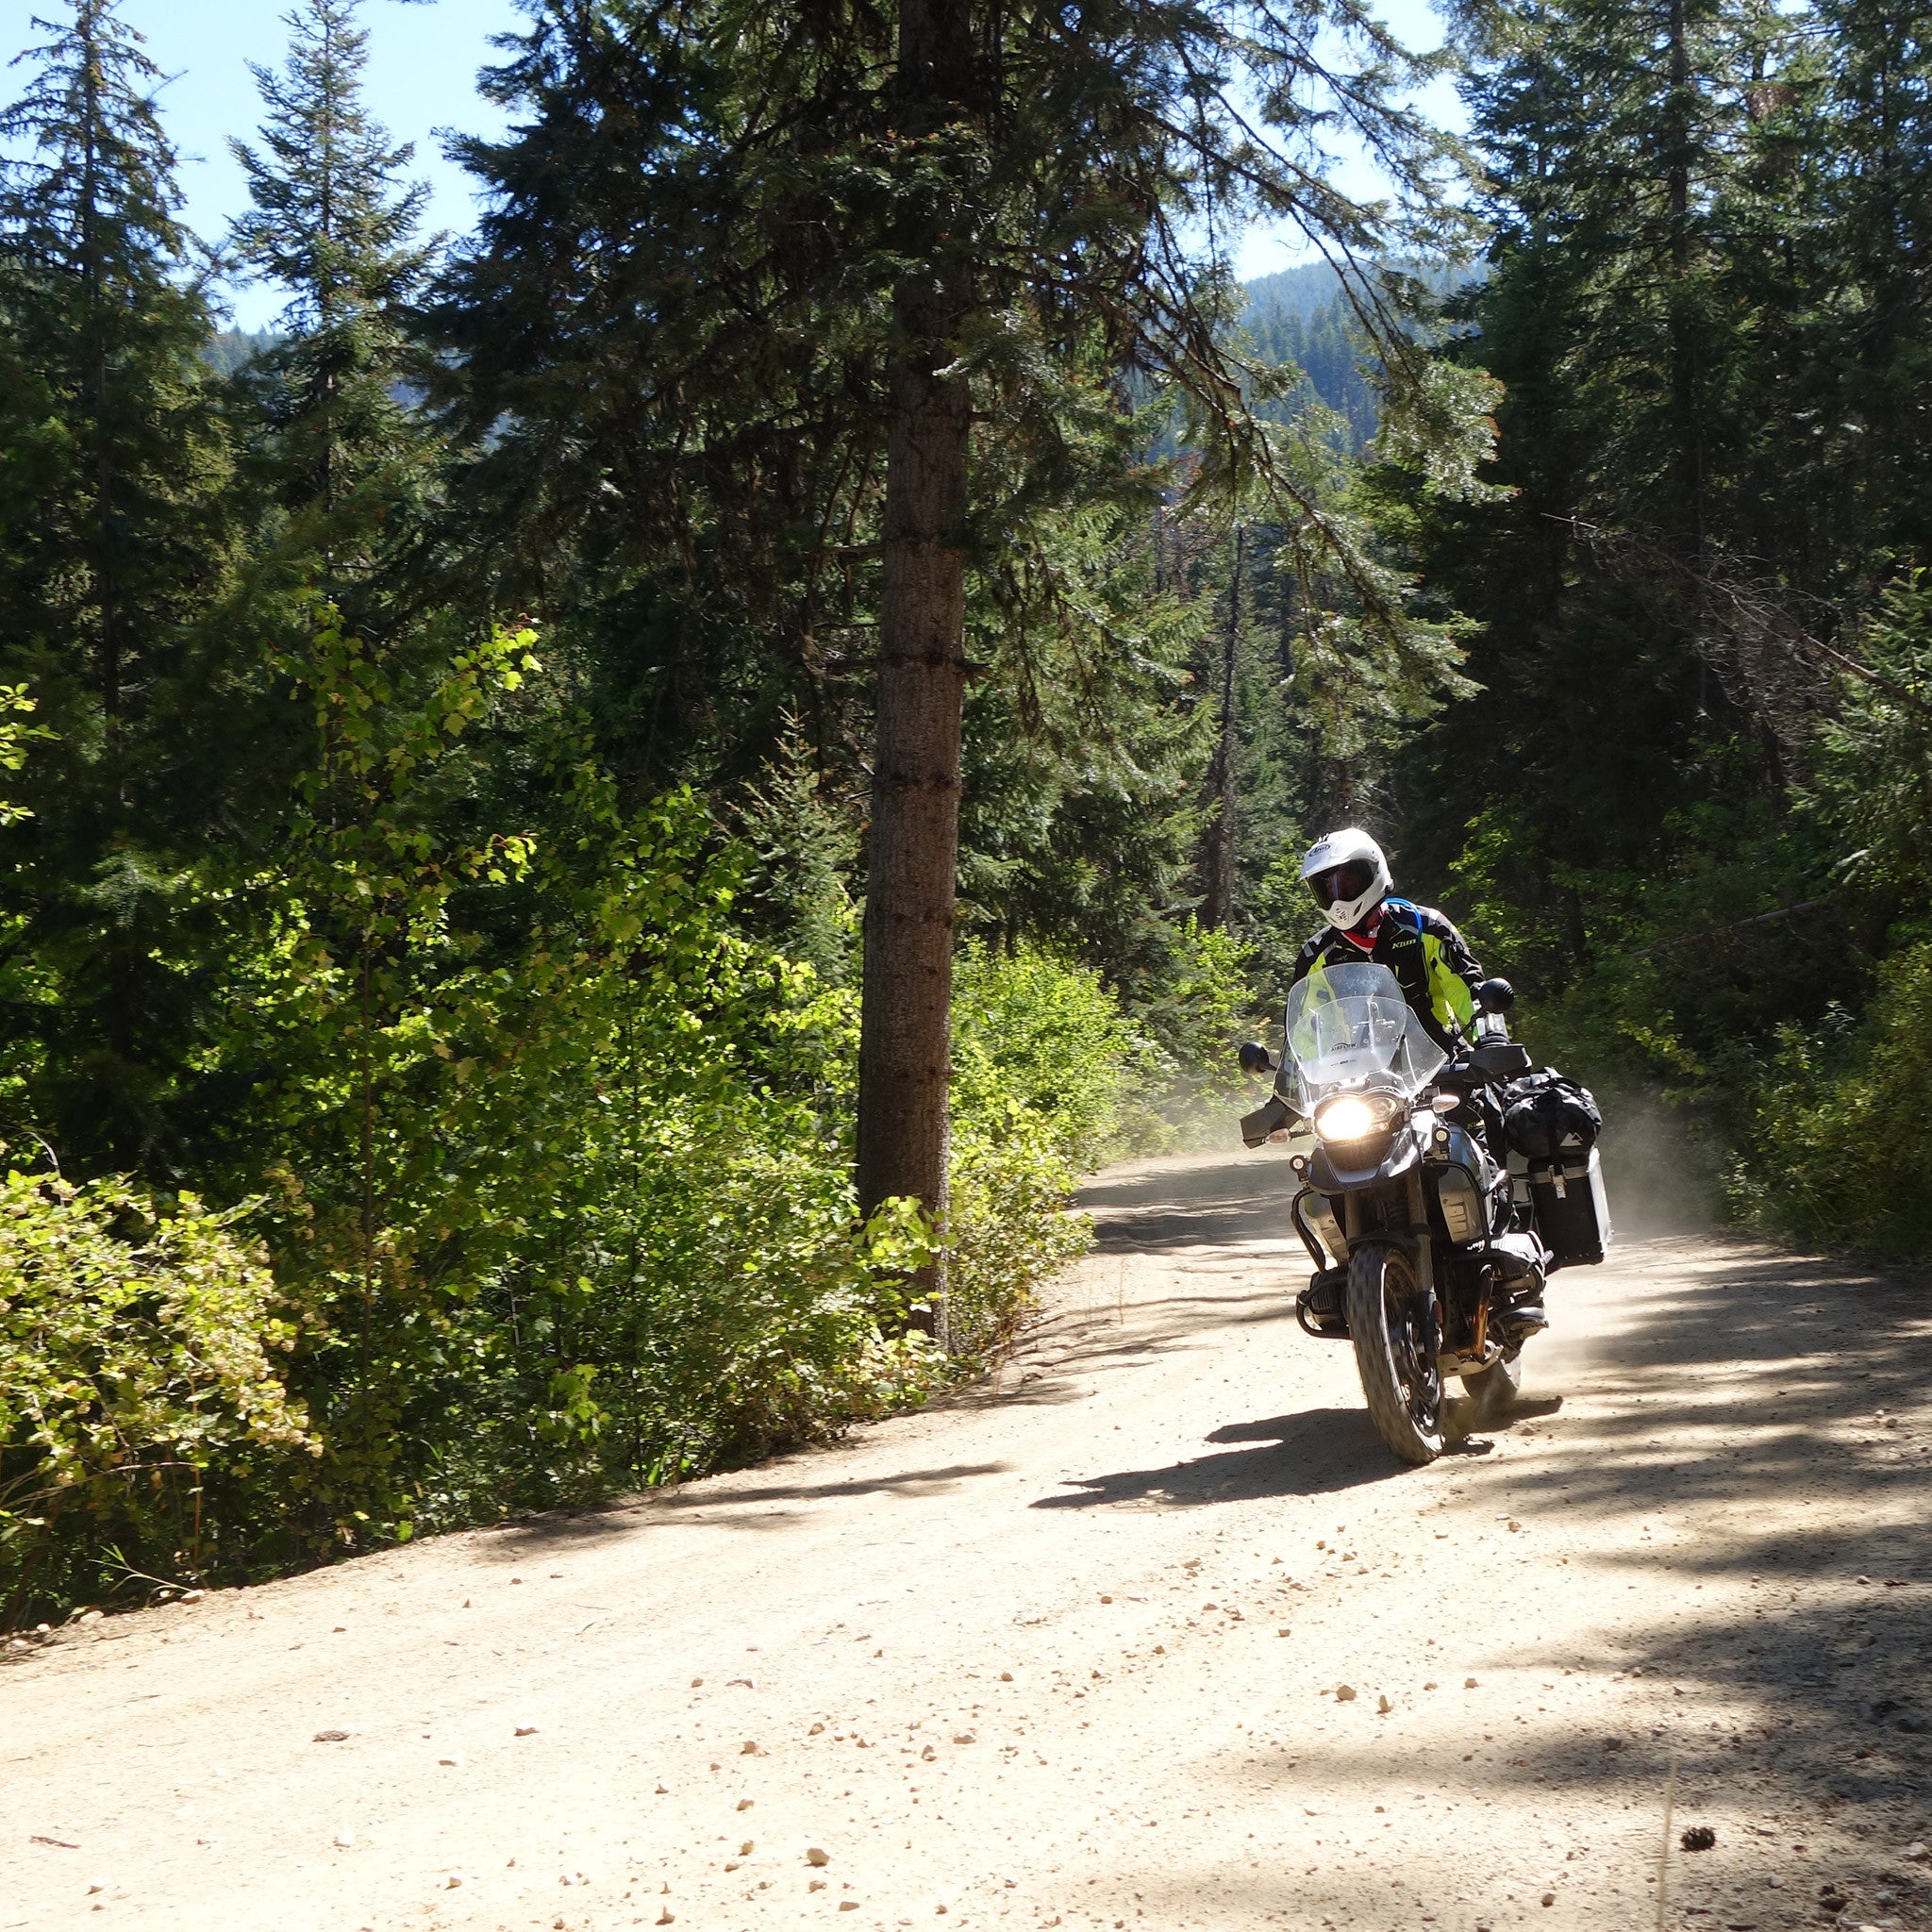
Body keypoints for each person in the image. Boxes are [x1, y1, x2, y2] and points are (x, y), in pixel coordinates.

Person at [1290, 827, 1485, 1051]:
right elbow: (1302, 1031)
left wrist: (1491, 1038)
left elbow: (1469, 991)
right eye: (1327, 889)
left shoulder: (1427, 928)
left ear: (1372, 874)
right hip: (1354, 1077)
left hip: (1443, 1064)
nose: (1336, 898)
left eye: (1347, 883)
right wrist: (1290, 1076)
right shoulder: (1315, 957)